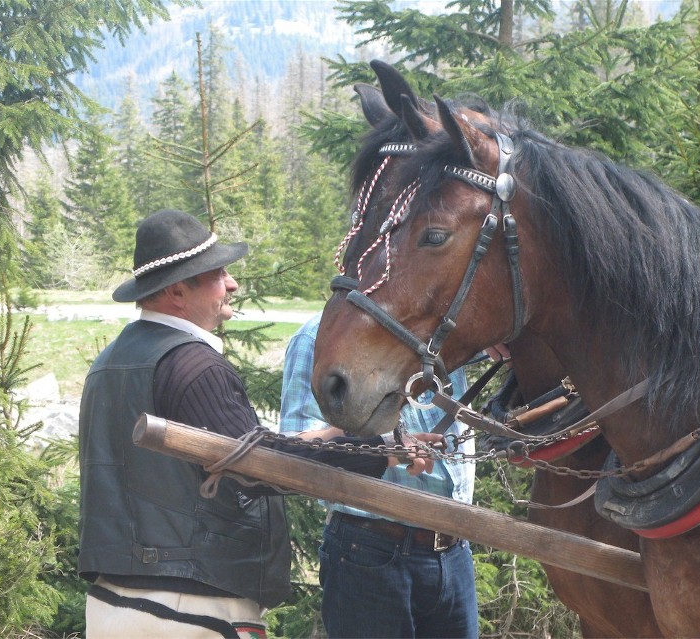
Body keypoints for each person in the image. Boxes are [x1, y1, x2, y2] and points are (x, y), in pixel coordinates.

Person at [77, 209, 440, 639]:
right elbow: (258, 468)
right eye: (217, 274)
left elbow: (204, 462)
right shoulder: (193, 364)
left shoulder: (110, 362)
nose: (231, 283)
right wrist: (386, 450)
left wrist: (326, 437)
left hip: (113, 606)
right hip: (191, 608)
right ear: (176, 291)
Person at [280, 312, 479, 638]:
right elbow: (295, 453)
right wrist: (376, 435)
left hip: (455, 551)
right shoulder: (315, 338)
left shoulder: (442, 333)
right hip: (370, 553)